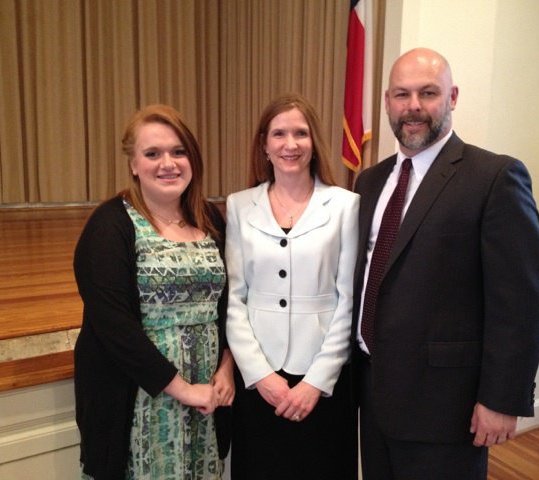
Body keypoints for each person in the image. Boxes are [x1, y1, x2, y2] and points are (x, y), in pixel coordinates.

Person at [352, 47, 539, 479]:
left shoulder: (494, 177)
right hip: (373, 391)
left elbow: (521, 301)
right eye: (402, 95)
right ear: (387, 102)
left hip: (445, 407)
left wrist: (502, 399)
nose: (414, 107)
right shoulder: (369, 181)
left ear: (452, 96)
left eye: (428, 93)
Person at [73, 104, 234, 479]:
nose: (168, 163)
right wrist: (182, 390)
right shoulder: (110, 225)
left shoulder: (210, 218)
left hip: (205, 402)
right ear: (133, 164)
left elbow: (229, 305)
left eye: (179, 151)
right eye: (153, 153)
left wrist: (226, 368)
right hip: (139, 402)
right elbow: (114, 328)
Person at [225, 93, 359, 479]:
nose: (290, 144)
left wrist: (316, 382)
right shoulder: (239, 205)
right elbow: (235, 299)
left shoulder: (345, 206)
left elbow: (347, 301)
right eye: (279, 134)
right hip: (260, 378)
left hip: (322, 380)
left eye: (301, 133)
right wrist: (259, 375)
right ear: (264, 144)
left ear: (314, 142)